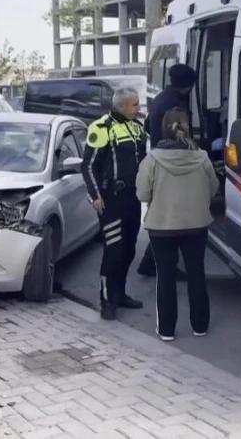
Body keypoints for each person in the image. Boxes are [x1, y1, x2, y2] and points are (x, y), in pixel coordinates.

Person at [136, 107, 219, 341]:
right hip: (196, 225)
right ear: (188, 128)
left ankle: (166, 330)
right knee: (196, 273)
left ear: (163, 129)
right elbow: (213, 188)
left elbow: (142, 194)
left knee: (165, 275)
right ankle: (200, 326)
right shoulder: (202, 157)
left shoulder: (152, 159)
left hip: (161, 227)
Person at [81, 87, 147, 321]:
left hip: (133, 198)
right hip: (111, 199)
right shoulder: (101, 128)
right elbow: (88, 166)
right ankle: (106, 300)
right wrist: (96, 196)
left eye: (138, 104)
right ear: (121, 106)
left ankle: (120, 293)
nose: (138, 108)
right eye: (134, 105)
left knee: (129, 249)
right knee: (114, 250)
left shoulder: (138, 127)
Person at [138, 63, 198, 278]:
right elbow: (180, 134)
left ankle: (150, 262)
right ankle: (157, 264)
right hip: (170, 162)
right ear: (189, 86)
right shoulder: (175, 104)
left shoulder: (161, 98)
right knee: (170, 221)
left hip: (159, 158)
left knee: (165, 218)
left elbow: (146, 127)